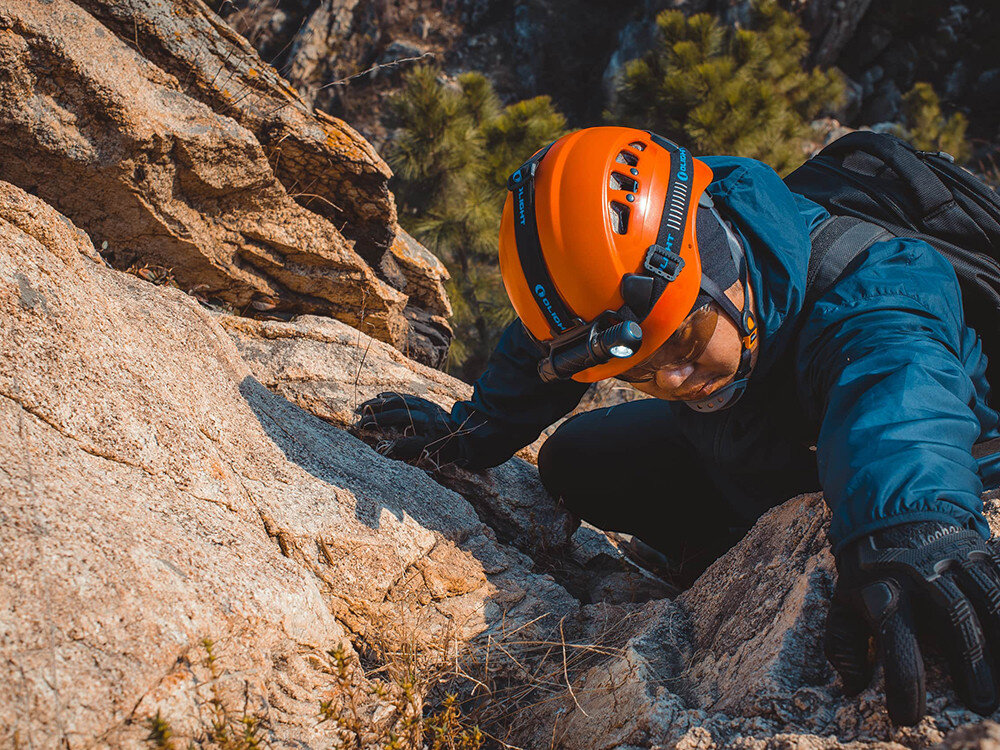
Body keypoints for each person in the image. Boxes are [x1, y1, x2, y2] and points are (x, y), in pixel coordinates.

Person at [358, 126, 1000, 725]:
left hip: (905, 463)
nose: (672, 380)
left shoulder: (873, 280)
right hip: (757, 458)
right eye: (635, 368)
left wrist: (908, 523)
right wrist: (469, 431)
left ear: (719, 264)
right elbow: (543, 347)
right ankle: (718, 556)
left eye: (684, 338)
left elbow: (896, 382)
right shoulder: (661, 265)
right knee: (577, 459)